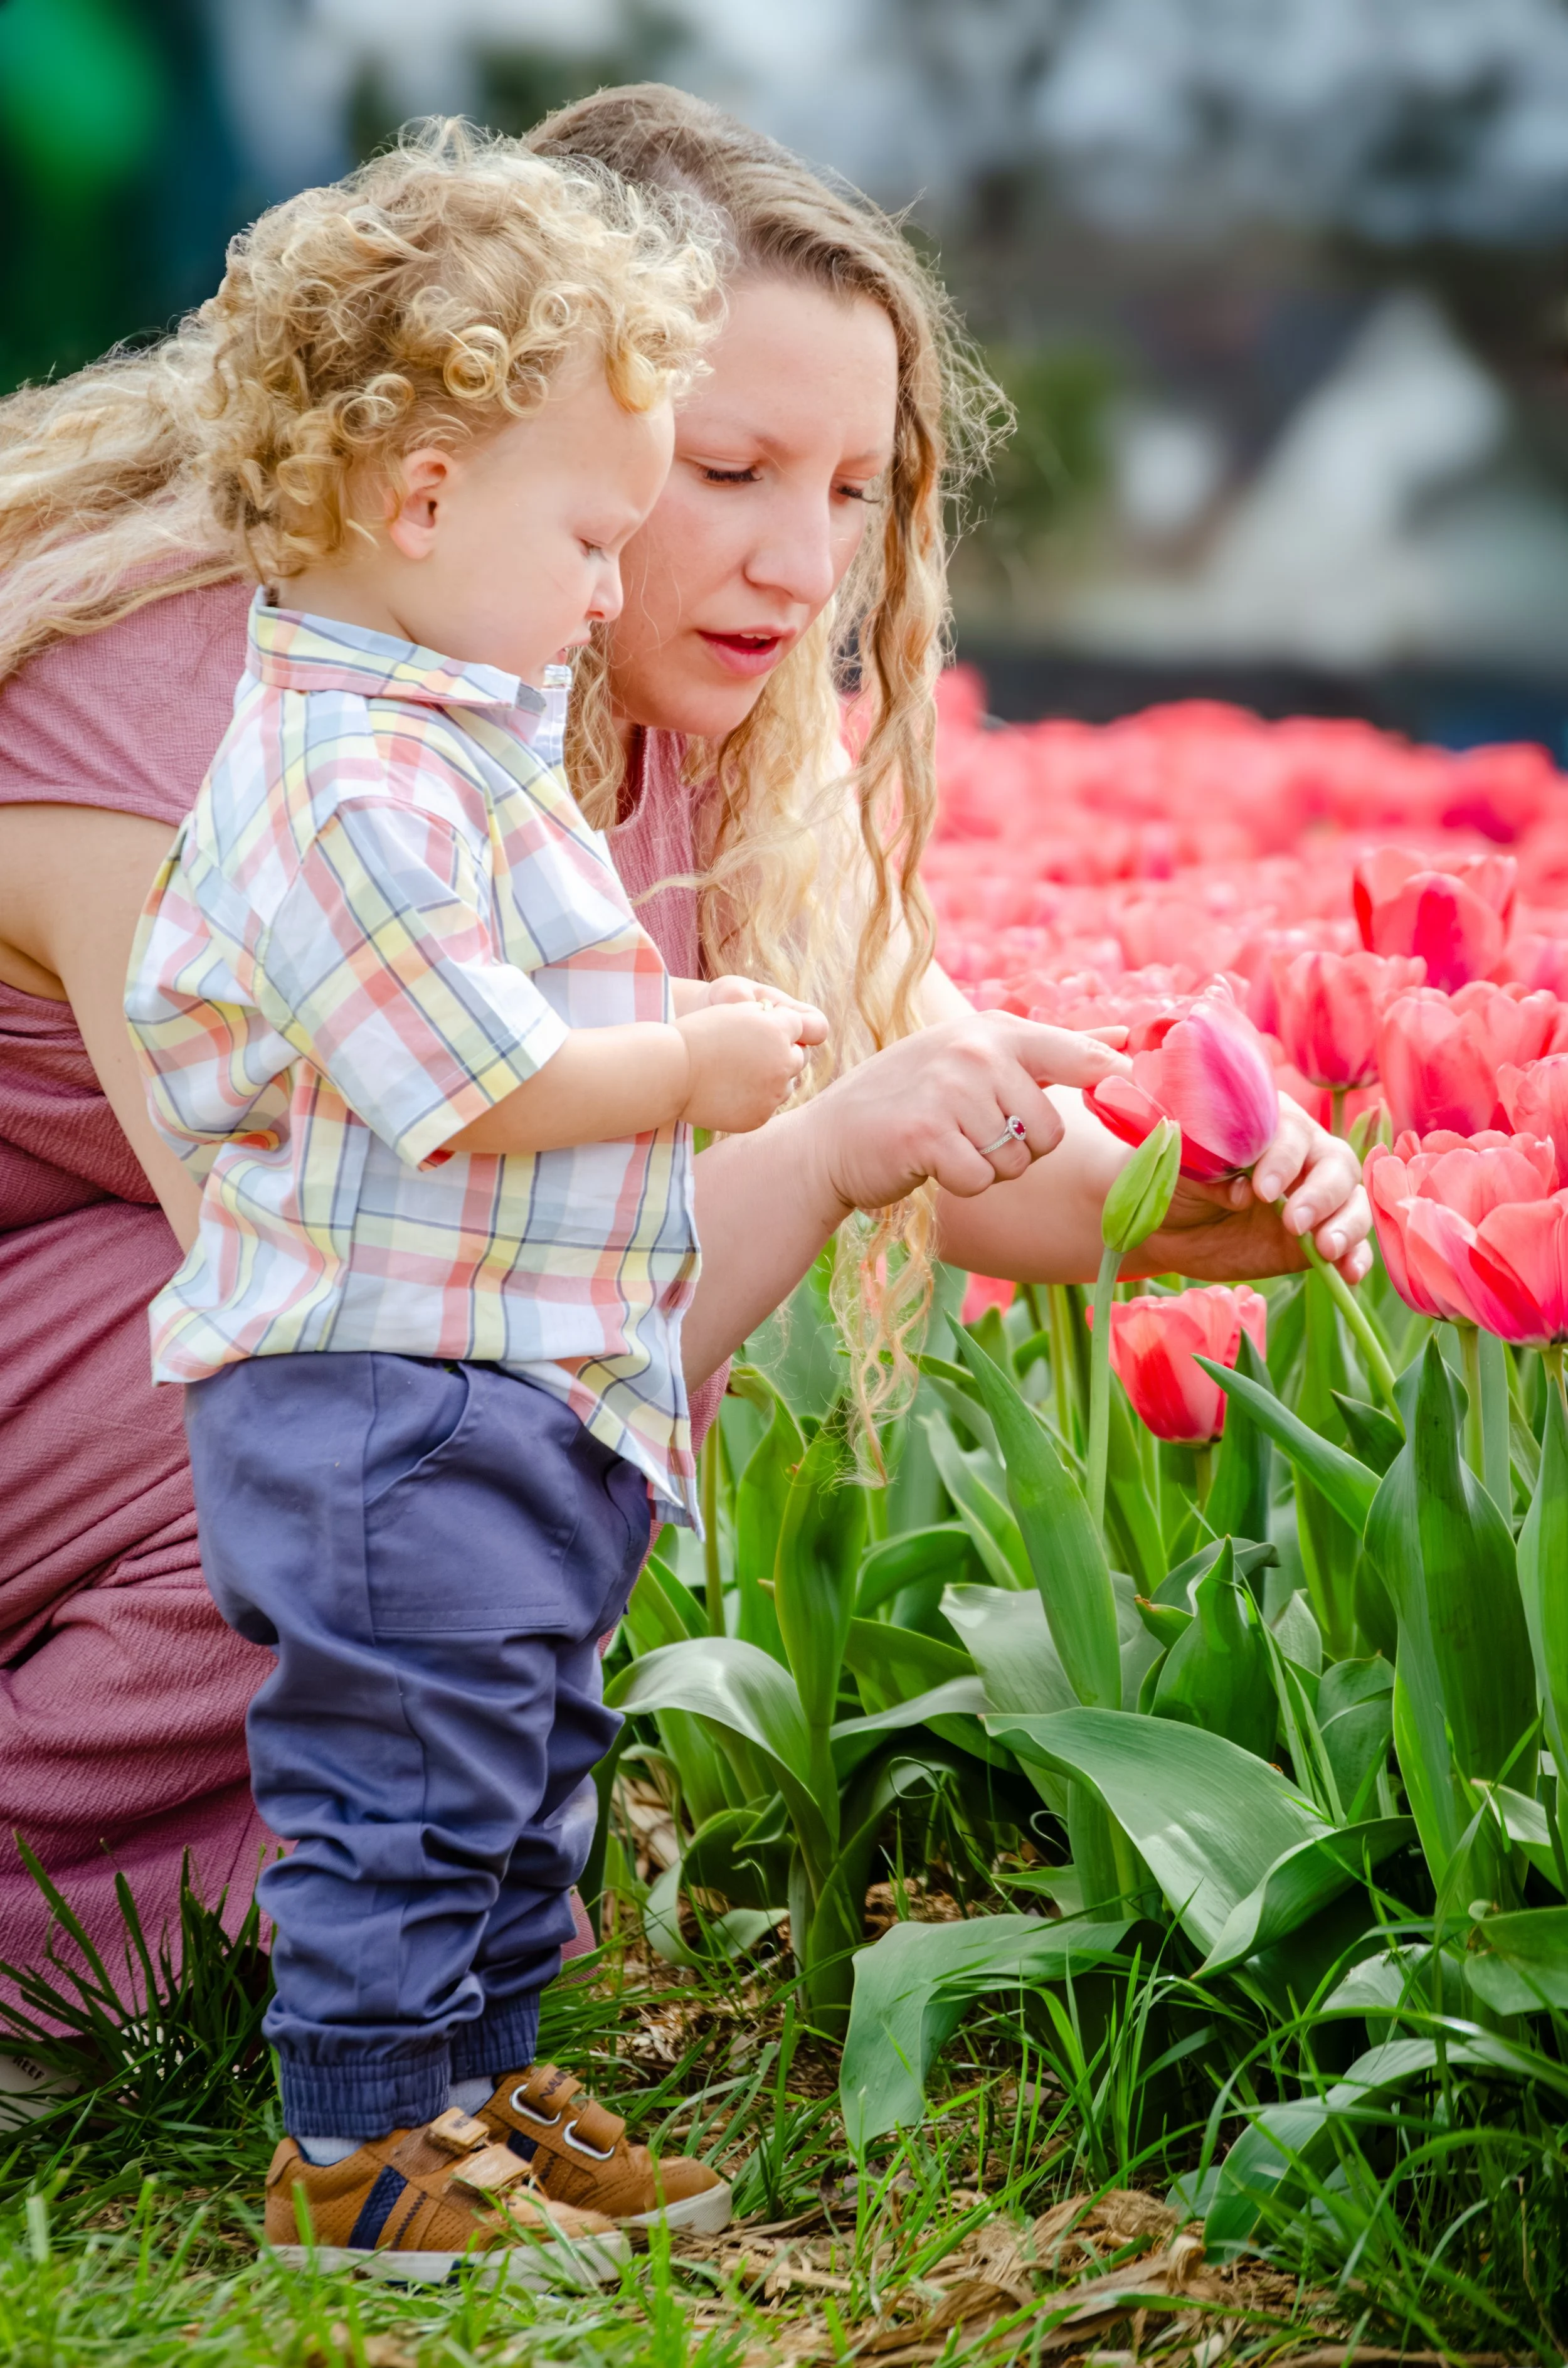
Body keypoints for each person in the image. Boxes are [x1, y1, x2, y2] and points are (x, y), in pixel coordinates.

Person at [0, 85, 1369, 2083]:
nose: (800, 562)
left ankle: (287, 1956)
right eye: (719, 466)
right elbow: (339, 1287)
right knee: (382, 1424)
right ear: (466, 445)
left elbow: (936, 1109)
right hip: (179, 1333)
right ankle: (49, 1961)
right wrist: (812, 1158)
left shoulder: (628, 685)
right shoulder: (231, 707)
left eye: (852, 489)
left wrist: (1181, 1190)